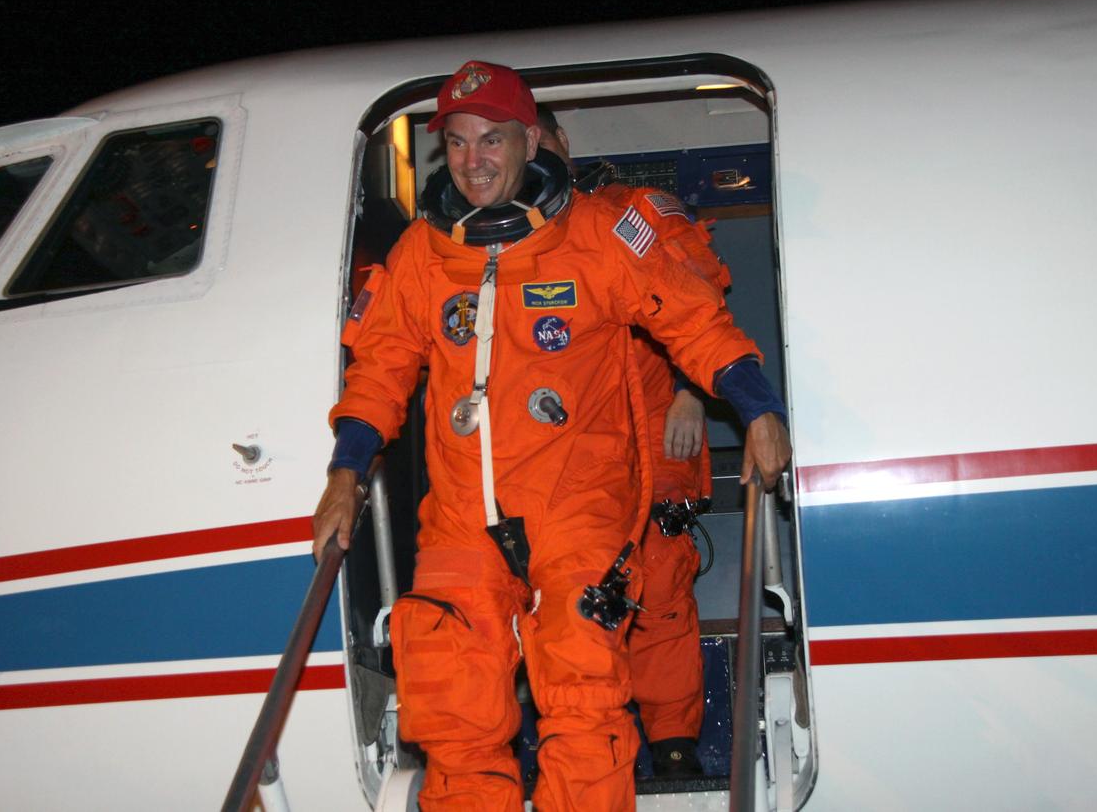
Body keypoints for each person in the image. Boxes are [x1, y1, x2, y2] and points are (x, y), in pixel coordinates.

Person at [313, 60, 790, 812]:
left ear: (529, 140)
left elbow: (692, 316)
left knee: (584, 702)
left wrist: (755, 405)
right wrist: (346, 470)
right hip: (463, 522)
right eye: (460, 144)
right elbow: (378, 372)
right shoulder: (421, 257)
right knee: (452, 709)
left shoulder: (599, 234)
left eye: (492, 140)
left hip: (578, 506)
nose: (474, 161)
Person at [536, 105, 726, 777]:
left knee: (662, 589)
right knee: (577, 603)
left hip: (651, 428)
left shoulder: (631, 211)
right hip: (564, 456)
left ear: (558, 141)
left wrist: (690, 391)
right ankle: (596, 742)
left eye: (540, 134)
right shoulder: (505, 240)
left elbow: (699, 294)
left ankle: (673, 743)